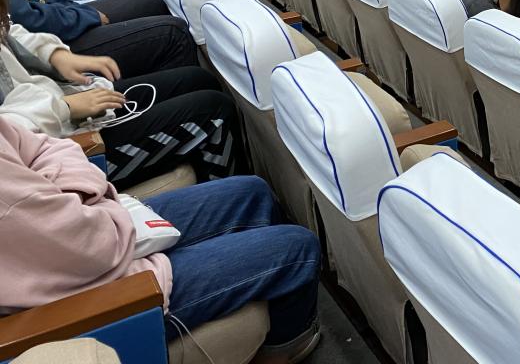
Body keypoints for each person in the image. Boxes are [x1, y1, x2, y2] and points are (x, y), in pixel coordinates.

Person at [0, 118, 323, 362]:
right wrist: (82, 198)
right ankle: (280, 352)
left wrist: (74, 196)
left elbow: (45, 145)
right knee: (298, 250)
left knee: (251, 193)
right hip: (82, 296)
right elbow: (96, 244)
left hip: (78, 235)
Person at [0, 0, 237, 189]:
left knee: (197, 80)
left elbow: (9, 28)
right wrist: (66, 108)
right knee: (215, 111)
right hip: (58, 156)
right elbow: (8, 138)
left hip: (55, 107)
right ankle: (231, 208)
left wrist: (54, 54)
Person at [0, 0, 199, 78]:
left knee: (149, 2)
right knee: (174, 33)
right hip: (41, 47)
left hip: (43, 25)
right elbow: (28, 21)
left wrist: (77, 10)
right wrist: (86, 16)